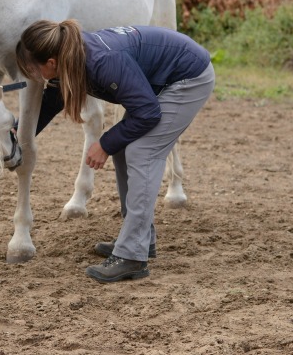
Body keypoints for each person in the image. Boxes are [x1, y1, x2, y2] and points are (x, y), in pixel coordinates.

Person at [16, 20, 215, 283]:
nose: (31, 73)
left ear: (51, 62)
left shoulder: (101, 62)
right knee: (125, 147)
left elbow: (148, 113)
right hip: (161, 82)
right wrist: (17, 135)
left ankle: (132, 255)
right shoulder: (70, 56)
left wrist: (105, 143)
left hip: (189, 77)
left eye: (32, 67)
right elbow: (51, 103)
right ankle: (138, 239)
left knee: (142, 152)